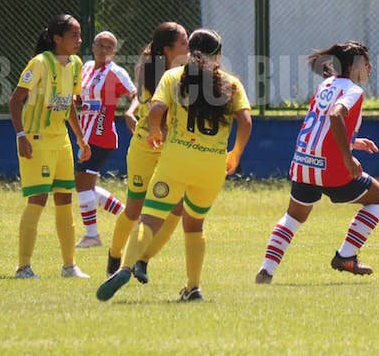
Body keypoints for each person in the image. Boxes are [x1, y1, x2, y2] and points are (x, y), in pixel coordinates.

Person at [97, 28, 252, 302]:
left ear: (191, 51)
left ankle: (126, 266)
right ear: (219, 55)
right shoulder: (231, 84)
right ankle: (193, 287)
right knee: (194, 226)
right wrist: (235, 153)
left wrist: (155, 131)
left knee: (149, 217)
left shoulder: (172, 76)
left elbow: (156, 110)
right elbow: (246, 121)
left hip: (176, 160)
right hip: (212, 166)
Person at [255, 40, 379, 284]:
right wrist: (348, 159)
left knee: (293, 217)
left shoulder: (326, 84)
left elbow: (320, 124)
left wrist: (353, 143)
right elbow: (335, 116)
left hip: (304, 161)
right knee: (378, 198)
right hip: (331, 168)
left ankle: (266, 271)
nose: (370, 68)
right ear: (356, 65)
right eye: (367, 63)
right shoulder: (353, 91)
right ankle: (346, 256)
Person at [9, 13, 92, 279]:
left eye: (79, 35)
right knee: (38, 200)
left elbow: (68, 106)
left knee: (65, 200)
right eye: (73, 36)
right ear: (57, 39)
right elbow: (14, 101)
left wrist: (80, 138)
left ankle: (70, 266)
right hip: (36, 140)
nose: (79, 40)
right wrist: (21, 135)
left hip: (62, 142)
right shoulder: (40, 63)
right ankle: (23, 267)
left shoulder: (77, 64)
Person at [105, 22, 189, 277]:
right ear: (167, 49)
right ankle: (114, 256)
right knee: (134, 209)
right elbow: (155, 112)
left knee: (176, 207)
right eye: (184, 42)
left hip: (170, 150)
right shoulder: (152, 71)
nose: (189, 45)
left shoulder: (187, 73)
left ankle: (143, 259)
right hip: (145, 146)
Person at [74, 31, 138, 248]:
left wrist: (130, 112)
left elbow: (135, 94)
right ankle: (129, 218)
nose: (103, 50)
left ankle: (92, 235)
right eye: (100, 45)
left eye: (109, 47)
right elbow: (80, 98)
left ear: (114, 52)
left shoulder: (117, 72)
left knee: (83, 184)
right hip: (84, 132)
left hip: (101, 134)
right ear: (93, 46)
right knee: (84, 185)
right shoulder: (87, 67)